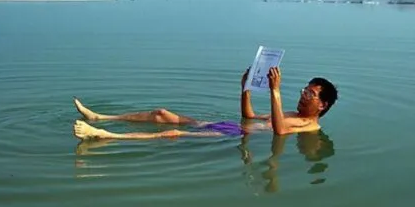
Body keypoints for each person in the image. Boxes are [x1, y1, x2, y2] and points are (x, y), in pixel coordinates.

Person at [72, 67, 338, 140]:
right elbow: (249, 116)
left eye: (311, 94)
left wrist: (275, 91)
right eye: (305, 90)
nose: (304, 95)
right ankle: (102, 118)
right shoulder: (290, 112)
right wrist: (245, 88)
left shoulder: (309, 127)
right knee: (162, 114)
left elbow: (280, 132)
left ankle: (104, 136)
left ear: (322, 105)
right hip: (234, 126)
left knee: (173, 133)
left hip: (235, 135)